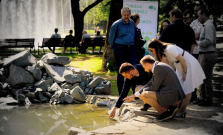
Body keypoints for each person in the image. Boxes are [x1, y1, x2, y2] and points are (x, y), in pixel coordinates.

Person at [148, 39, 206, 117]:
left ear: (156, 47)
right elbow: (165, 64)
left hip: (188, 64)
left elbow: (182, 60)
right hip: (179, 66)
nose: (151, 52)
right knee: (179, 88)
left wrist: (185, 73)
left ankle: (181, 111)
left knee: (187, 90)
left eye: (151, 50)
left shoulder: (170, 49)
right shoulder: (164, 52)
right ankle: (177, 109)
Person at [123, 55, 186, 121]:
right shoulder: (158, 66)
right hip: (171, 93)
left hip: (172, 96)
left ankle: (165, 112)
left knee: (144, 94)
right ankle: (168, 109)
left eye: (144, 67)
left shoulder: (158, 68)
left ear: (147, 64)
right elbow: (149, 83)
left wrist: (141, 92)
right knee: (142, 92)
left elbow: (154, 87)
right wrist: (134, 95)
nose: (144, 70)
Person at [109, 6, 137, 95]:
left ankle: (135, 92)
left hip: (131, 48)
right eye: (124, 15)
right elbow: (111, 38)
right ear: (121, 14)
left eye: (128, 15)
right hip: (120, 48)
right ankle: (121, 93)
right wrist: (115, 47)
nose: (126, 16)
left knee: (133, 69)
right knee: (121, 70)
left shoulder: (132, 23)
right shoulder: (116, 24)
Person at [197, 8, 218, 106]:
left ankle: (208, 100)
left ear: (203, 15)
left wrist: (197, 43)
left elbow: (208, 40)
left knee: (206, 78)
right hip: (205, 54)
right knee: (203, 77)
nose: (198, 18)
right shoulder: (206, 25)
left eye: (199, 15)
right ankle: (203, 98)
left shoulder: (208, 26)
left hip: (207, 54)